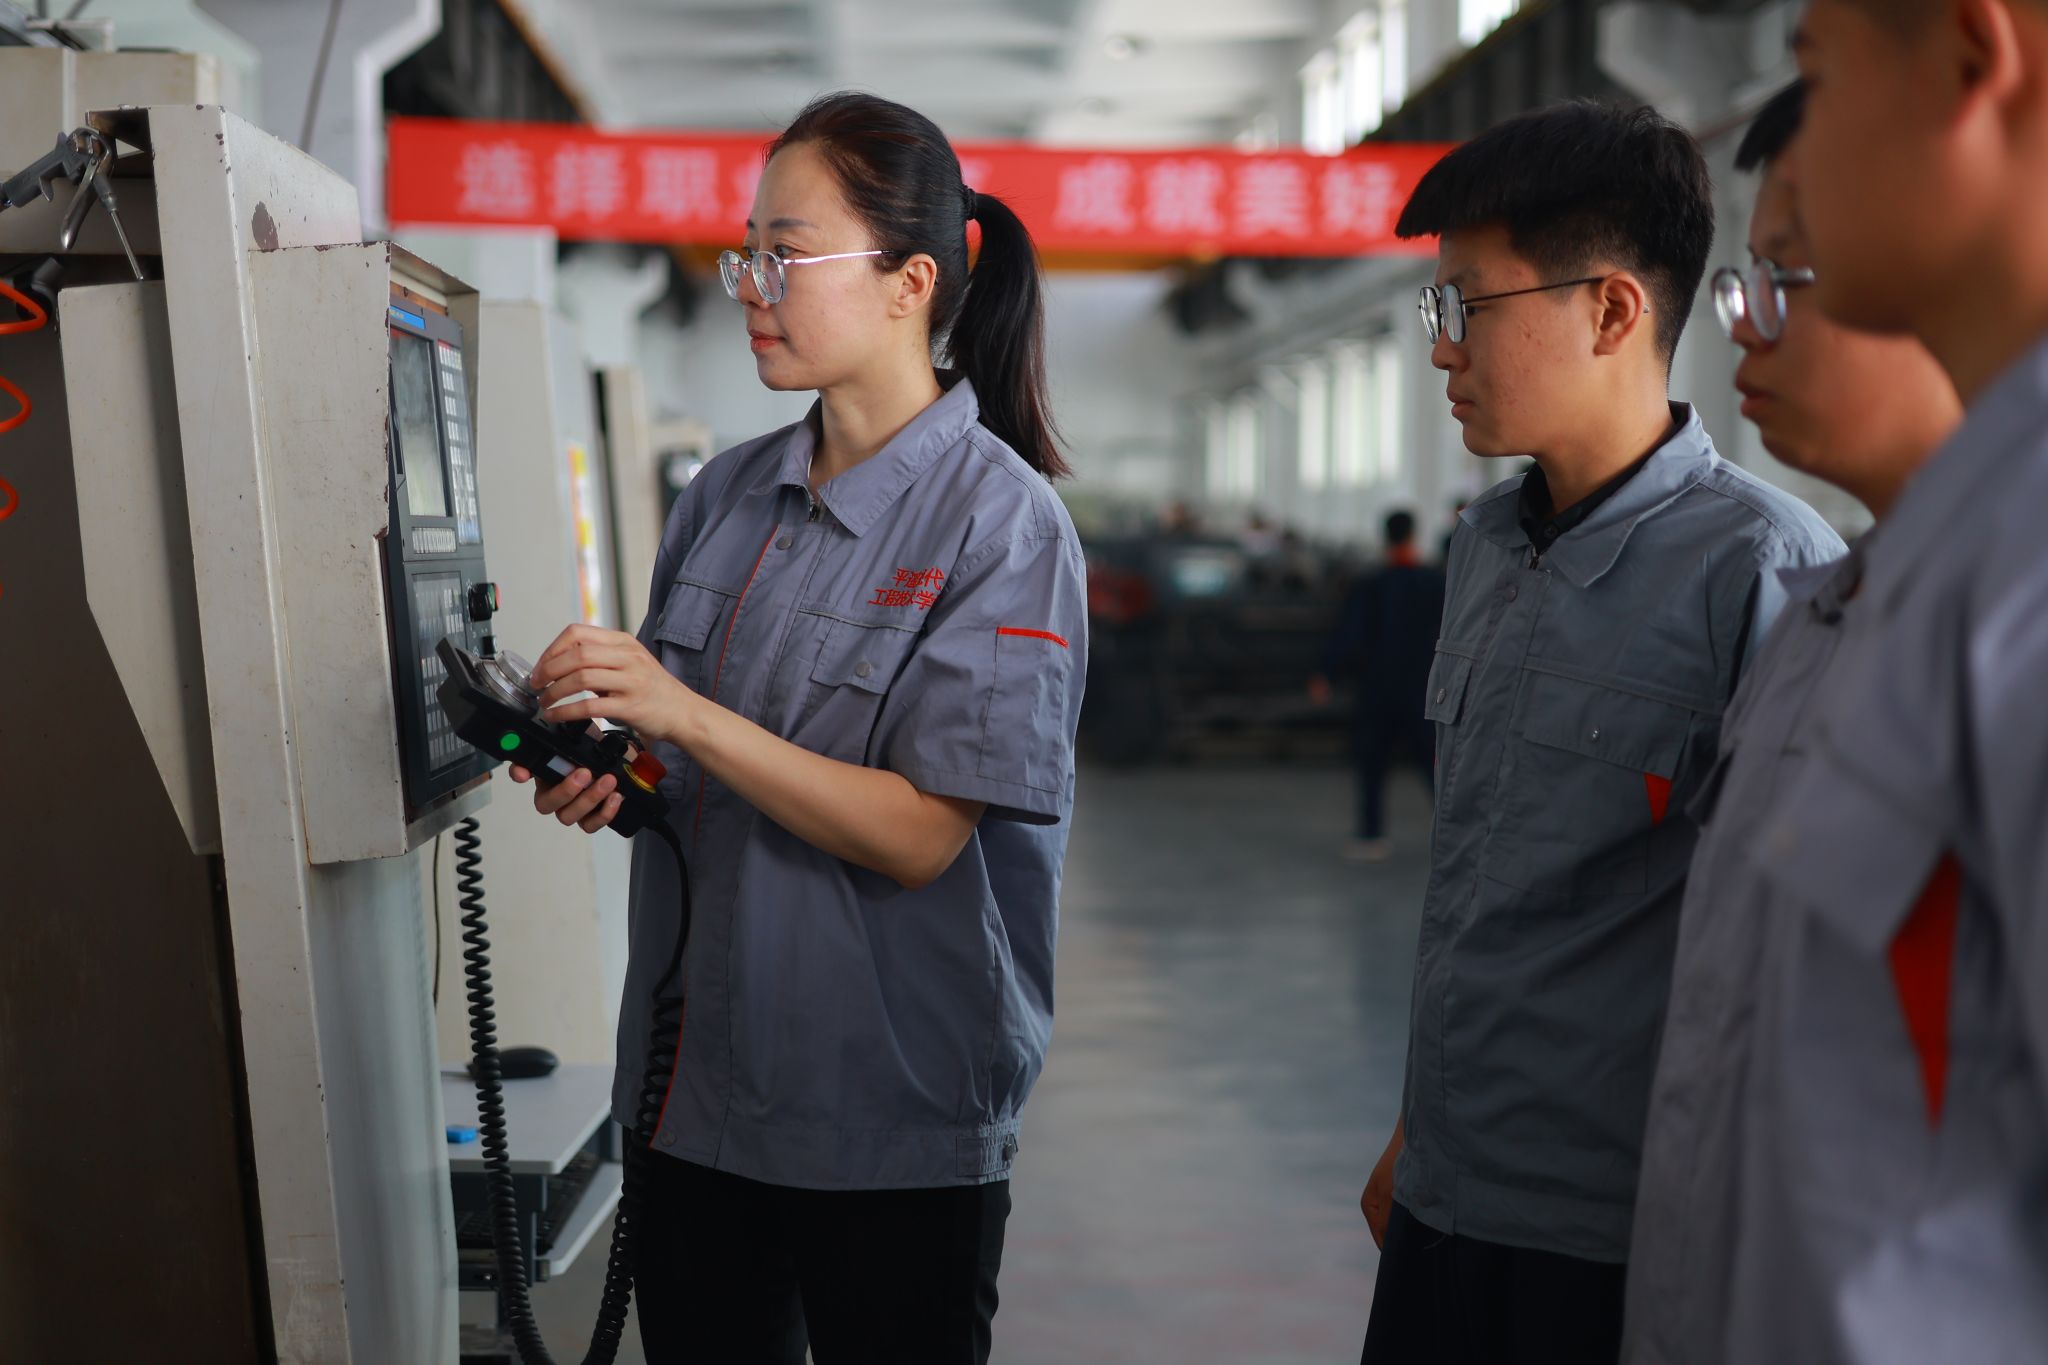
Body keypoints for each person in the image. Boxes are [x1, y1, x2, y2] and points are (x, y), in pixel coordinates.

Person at [511, 91, 1087, 1363]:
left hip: (886, 1121)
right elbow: (688, 771)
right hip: (693, 1095)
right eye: (745, 256)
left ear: (909, 282)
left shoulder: (1001, 525)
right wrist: (618, 770)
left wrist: (683, 714)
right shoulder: (725, 495)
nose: (751, 290)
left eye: (785, 256)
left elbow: (920, 835)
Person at [1356, 100, 1843, 1365]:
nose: (1442, 350)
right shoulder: (1485, 547)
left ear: (1611, 310)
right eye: (1436, 310)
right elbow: (1482, 892)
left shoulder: (1763, 573)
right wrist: (1419, 1134)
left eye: (1468, 306)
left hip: (1619, 1233)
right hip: (1446, 1192)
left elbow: (1792, 962)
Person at [1702, 1, 2048, 1356]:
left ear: (1968, 58)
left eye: (1817, 71)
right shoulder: (1959, 548)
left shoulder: (2019, 573)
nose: (1801, 147)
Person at [1621, 79, 1962, 1365]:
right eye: (1742, 281)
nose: (1743, 329)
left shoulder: (1998, 647)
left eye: (1786, 277)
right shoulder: (1820, 616)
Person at [1311, 509, 1445, 861]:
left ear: (1385, 537)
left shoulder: (1371, 584)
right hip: (1423, 688)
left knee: (1372, 763)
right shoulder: (1434, 582)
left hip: (1378, 687)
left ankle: (1371, 835)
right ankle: (1454, 834)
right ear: (1413, 535)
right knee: (1434, 765)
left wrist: (1327, 674)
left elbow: (1350, 634)